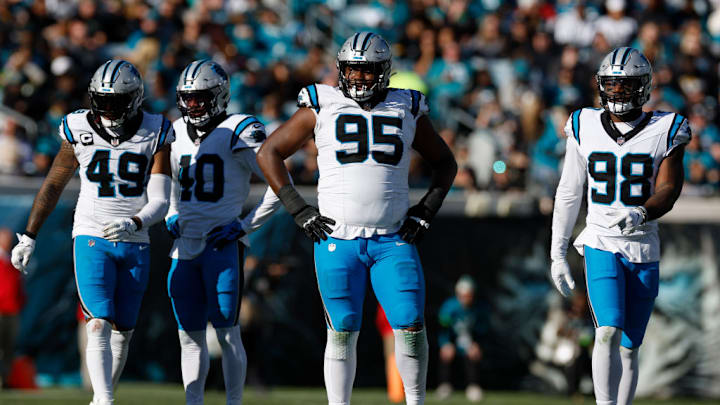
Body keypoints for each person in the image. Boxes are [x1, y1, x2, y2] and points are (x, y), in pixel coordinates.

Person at [257, 32, 458, 405]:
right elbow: (270, 152)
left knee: (411, 323)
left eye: (367, 71)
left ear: (384, 72)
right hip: (338, 238)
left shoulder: (406, 105)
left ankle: (416, 402)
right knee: (342, 330)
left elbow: (445, 163)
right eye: (352, 70)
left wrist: (426, 210)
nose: (359, 78)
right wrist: (298, 209)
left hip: (391, 238)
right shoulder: (323, 103)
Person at [10, 59, 174, 405]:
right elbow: (54, 184)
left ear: (134, 99)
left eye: (116, 101)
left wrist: (135, 222)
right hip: (90, 234)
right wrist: (29, 235)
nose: (108, 109)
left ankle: (102, 396)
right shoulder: (78, 127)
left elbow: (160, 200)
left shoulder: (156, 131)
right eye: (103, 100)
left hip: (135, 239)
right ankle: (104, 401)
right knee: (97, 321)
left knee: (123, 331)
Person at [550, 47, 690, 405]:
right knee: (607, 330)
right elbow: (569, 191)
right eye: (611, 85)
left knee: (630, 346)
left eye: (624, 86)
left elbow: (670, 189)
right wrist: (558, 252)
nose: (616, 93)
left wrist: (641, 212)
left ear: (642, 87)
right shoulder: (583, 123)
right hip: (600, 240)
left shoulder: (667, 127)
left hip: (643, 245)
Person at [165, 59, 282, 405]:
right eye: (187, 98)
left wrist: (244, 226)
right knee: (189, 335)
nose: (193, 105)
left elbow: (279, 184)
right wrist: (172, 211)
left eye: (200, 97)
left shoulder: (239, 128)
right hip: (183, 246)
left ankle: (234, 402)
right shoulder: (174, 131)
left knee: (229, 333)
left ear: (219, 95)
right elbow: (166, 181)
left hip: (221, 246)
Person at [436, 275, 488, 402]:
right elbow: (443, 328)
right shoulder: (450, 307)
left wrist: (477, 344)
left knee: (473, 351)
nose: (466, 298)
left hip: (468, 341)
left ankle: (473, 386)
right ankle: (444, 385)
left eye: (469, 295)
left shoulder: (479, 308)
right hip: (452, 341)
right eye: (463, 295)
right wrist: (445, 343)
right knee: (447, 352)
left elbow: (482, 330)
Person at [0, 228, 25, 389]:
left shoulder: (11, 260)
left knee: (9, 347)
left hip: (12, 310)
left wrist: (20, 303)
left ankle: (5, 380)